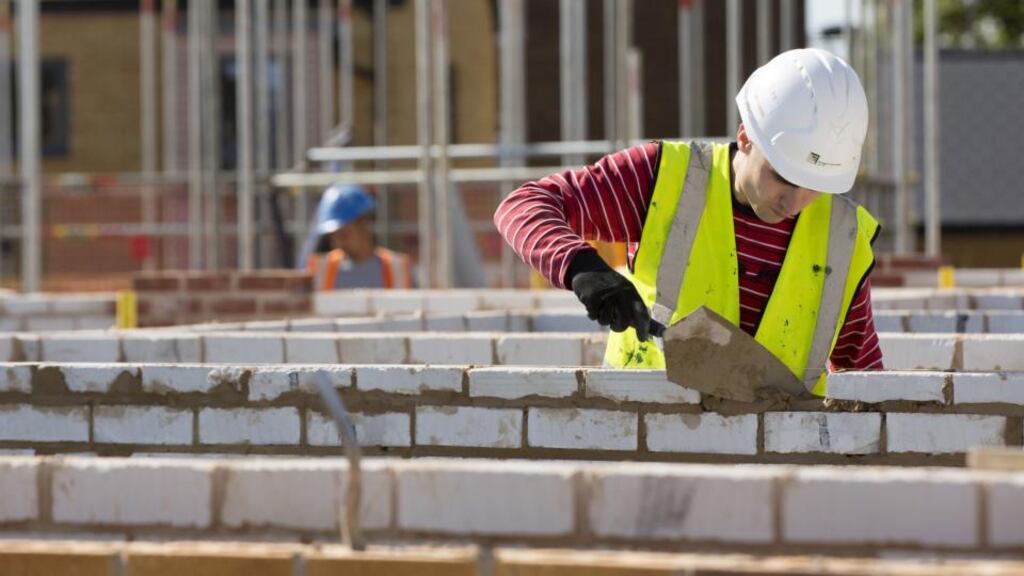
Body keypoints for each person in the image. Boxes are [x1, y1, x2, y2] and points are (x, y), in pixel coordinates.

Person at [494, 48, 882, 395]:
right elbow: (524, 205)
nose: (795, 202)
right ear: (746, 136)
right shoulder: (665, 178)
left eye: (814, 186)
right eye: (782, 176)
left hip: (778, 464)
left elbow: (864, 376)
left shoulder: (843, 237)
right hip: (648, 443)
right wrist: (582, 269)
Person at [306, 183, 415, 290]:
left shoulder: (398, 269)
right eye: (333, 236)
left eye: (344, 234)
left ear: (363, 223)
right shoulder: (320, 271)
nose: (338, 243)